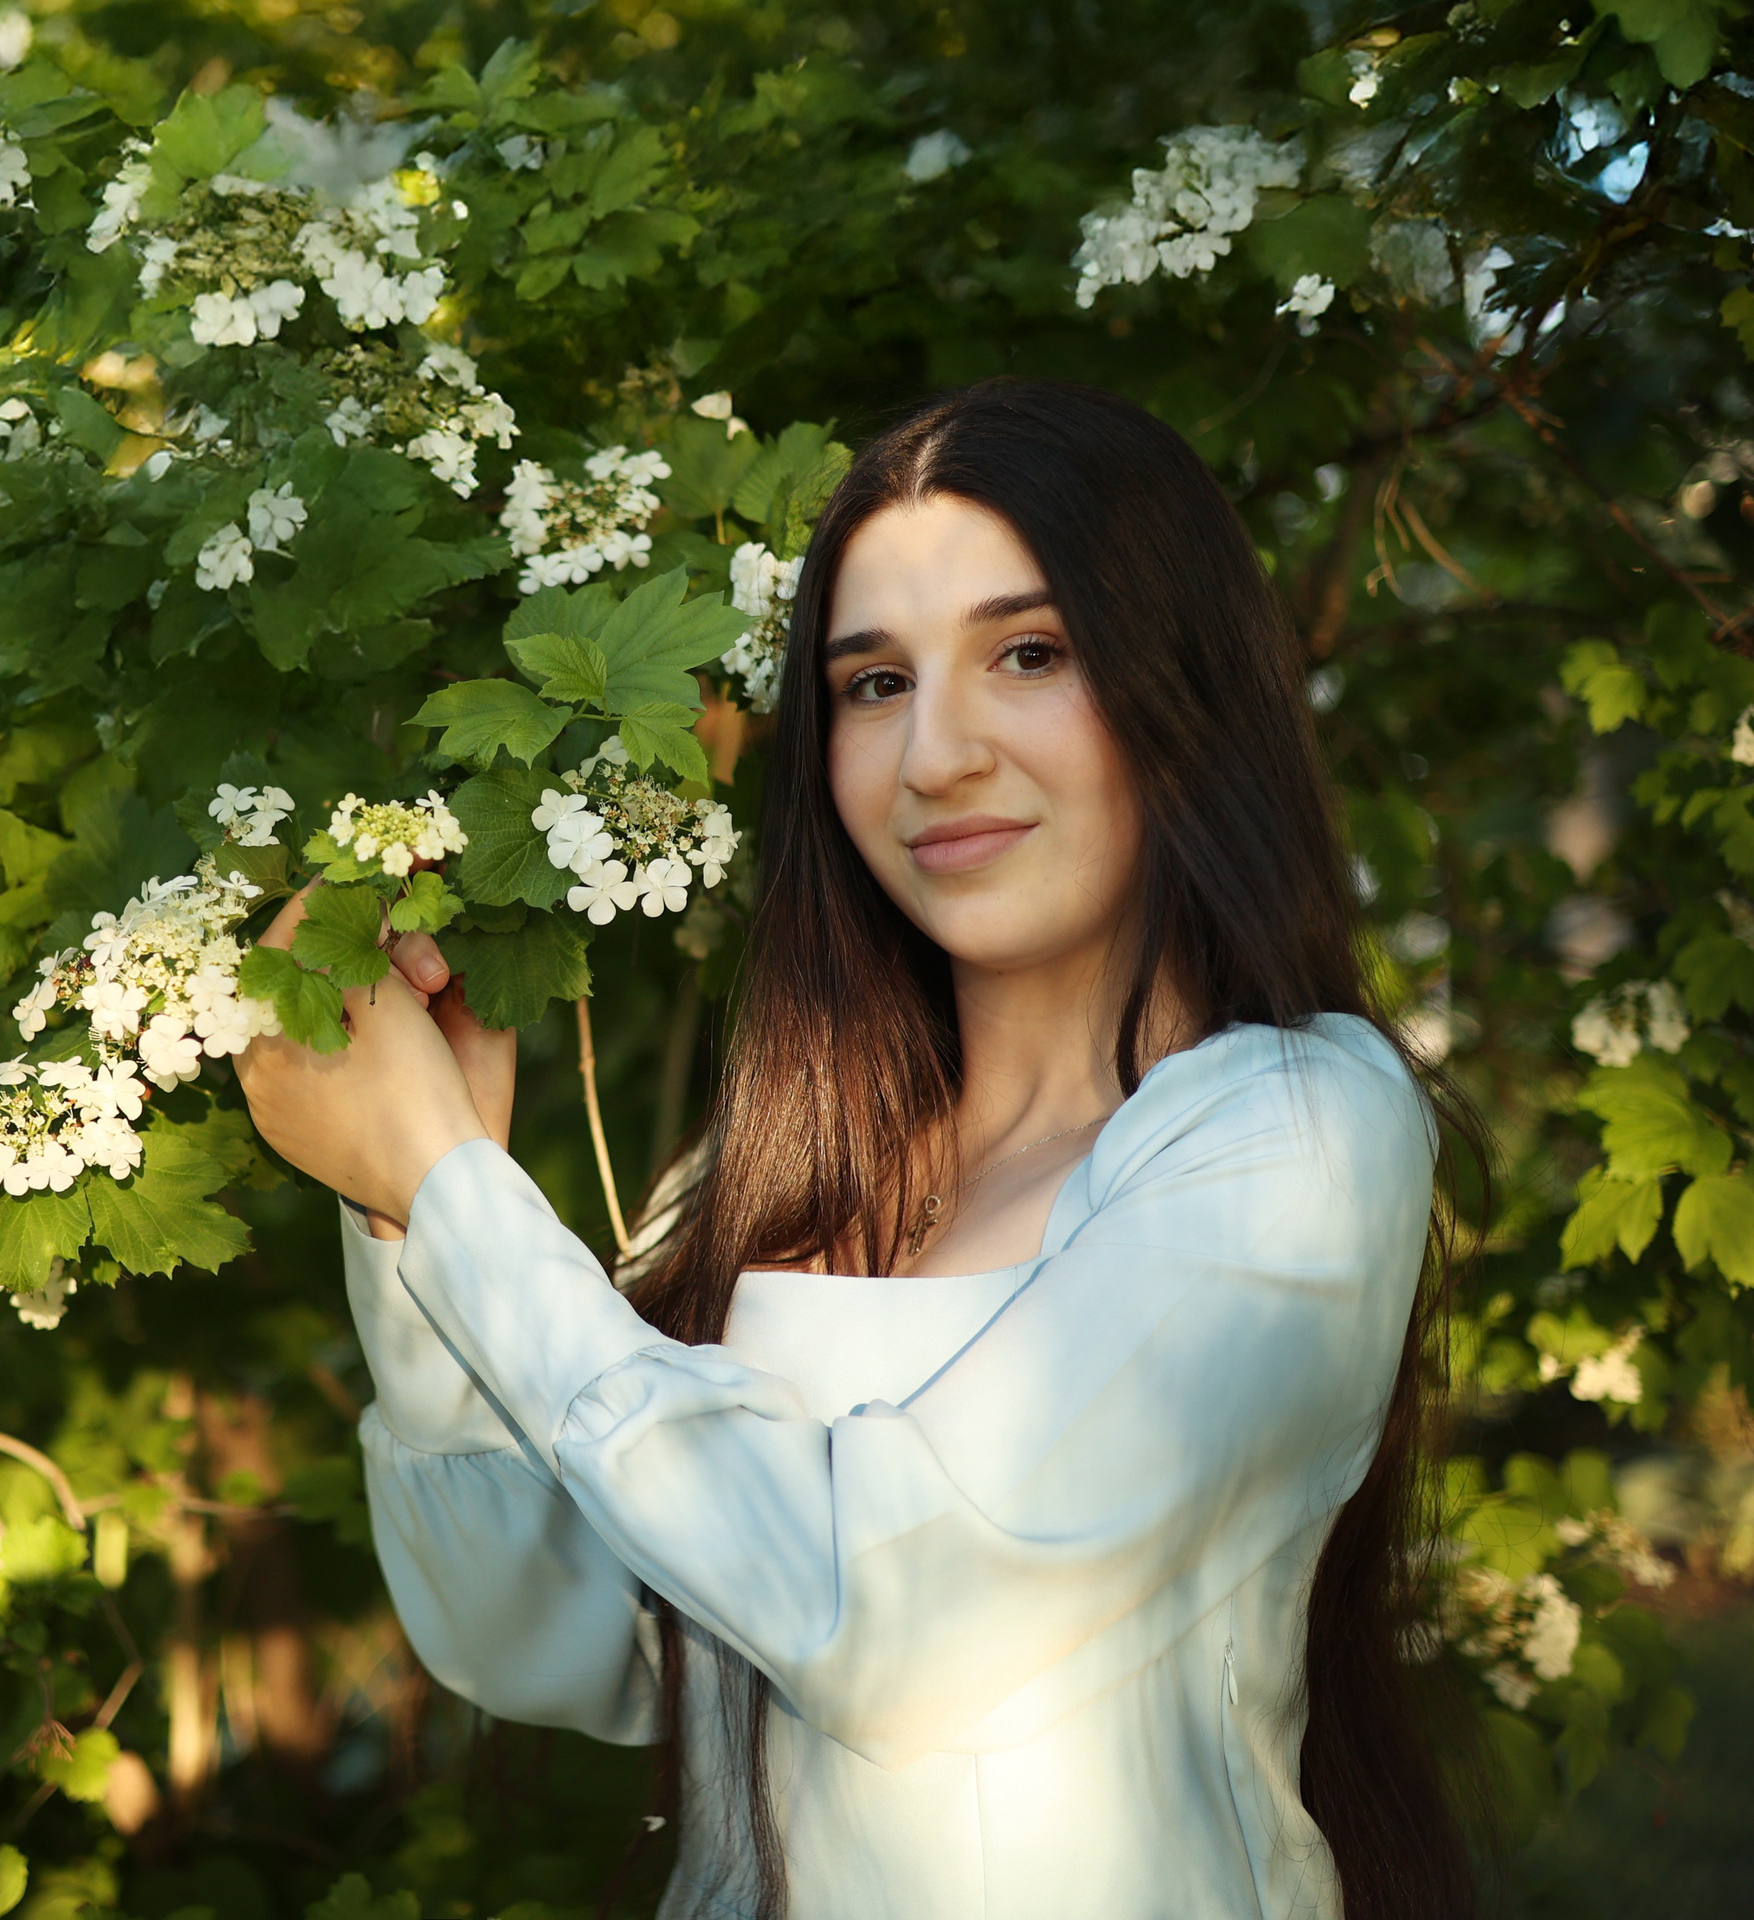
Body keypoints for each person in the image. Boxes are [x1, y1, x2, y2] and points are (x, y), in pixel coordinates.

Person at [235, 378, 1479, 1920]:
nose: (935, 753)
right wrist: (415, 1214)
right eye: (873, 685)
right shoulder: (795, 1170)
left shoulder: (1291, 1132)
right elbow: (540, 1641)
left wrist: (455, 1193)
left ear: (1185, 691)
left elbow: (901, 1620)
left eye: (1029, 654)